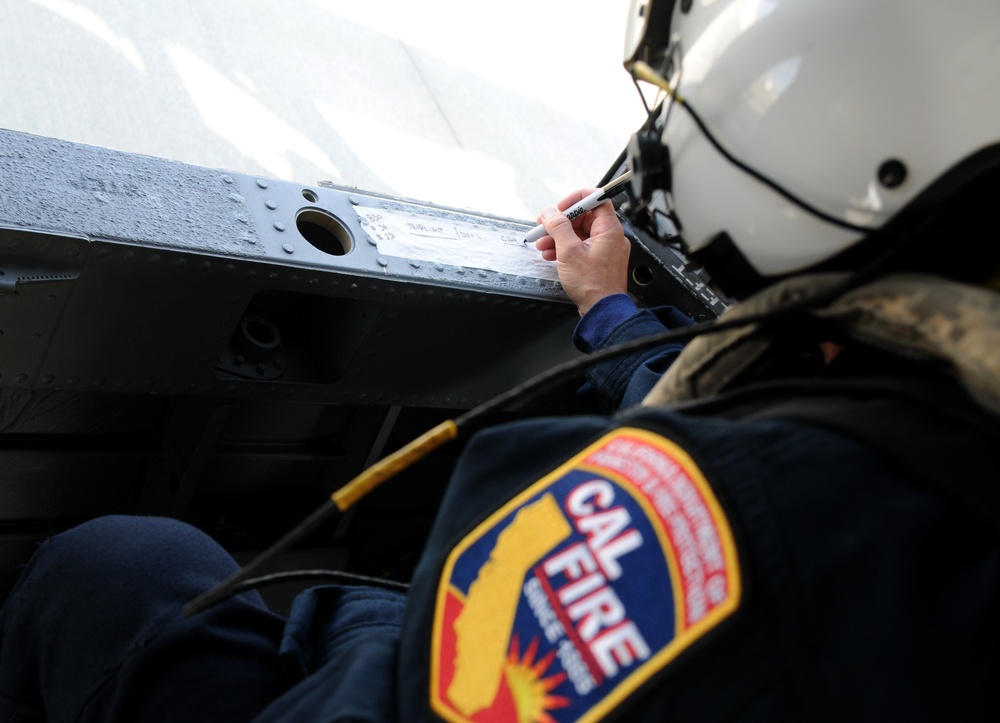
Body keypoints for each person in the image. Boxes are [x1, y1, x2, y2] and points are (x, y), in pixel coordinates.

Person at [4, 1, 1000, 721]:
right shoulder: (913, 455)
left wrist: (363, 620)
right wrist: (609, 310)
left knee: (114, 566)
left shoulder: (788, 503)